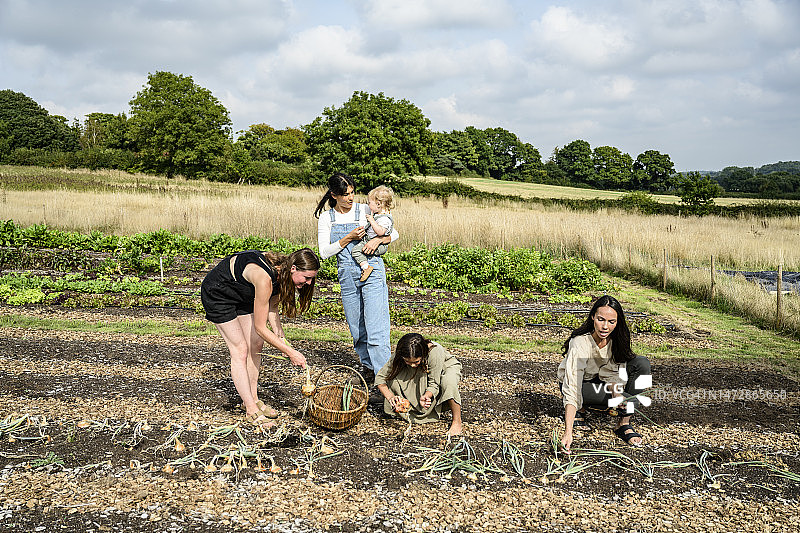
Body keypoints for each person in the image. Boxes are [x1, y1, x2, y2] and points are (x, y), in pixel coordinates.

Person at [200, 248, 319, 429]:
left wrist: (282, 339)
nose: (309, 283)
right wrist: (289, 352)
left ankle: (254, 399)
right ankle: (250, 409)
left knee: (256, 344)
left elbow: (271, 308)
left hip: (242, 293)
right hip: (219, 292)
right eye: (307, 278)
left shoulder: (282, 276)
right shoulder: (264, 278)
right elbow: (261, 327)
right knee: (240, 350)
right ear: (294, 268)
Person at [315, 172, 398, 383]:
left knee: (376, 326)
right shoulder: (327, 218)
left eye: (352, 192)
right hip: (347, 274)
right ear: (334, 195)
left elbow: (393, 233)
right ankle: (369, 368)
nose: (351, 198)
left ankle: (383, 377)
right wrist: (348, 238)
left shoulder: (365, 209)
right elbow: (324, 252)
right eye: (345, 194)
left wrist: (378, 241)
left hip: (372, 268)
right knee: (357, 327)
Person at [557, 295, 651, 453]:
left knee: (641, 364)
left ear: (617, 322)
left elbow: (612, 373)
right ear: (593, 316)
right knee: (633, 402)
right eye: (601, 319)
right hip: (581, 384)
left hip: (600, 382)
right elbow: (572, 384)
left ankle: (623, 423)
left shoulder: (616, 340)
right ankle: (579, 410)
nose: (605, 327)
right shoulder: (580, 343)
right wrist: (568, 432)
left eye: (611, 322)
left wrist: (616, 393)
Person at [376, 333, 463, 437]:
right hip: (421, 368)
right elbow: (380, 378)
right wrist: (390, 397)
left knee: (448, 382)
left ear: (422, 354)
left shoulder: (434, 351)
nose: (412, 365)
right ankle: (410, 408)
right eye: (408, 361)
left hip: (443, 367)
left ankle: (457, 421)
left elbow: (434, 383)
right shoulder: (402, 352)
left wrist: (427, 395)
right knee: (394, 378)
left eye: (416, 361)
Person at [351, 185, 395, 282]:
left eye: (369, 202)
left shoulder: (384, 219)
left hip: (378, 245)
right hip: (371, 240)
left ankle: (366, 268)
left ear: (378, 204)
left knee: (356, 251)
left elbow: (380, 232)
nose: (368, 205)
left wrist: (371, 220)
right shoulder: (379, 215)